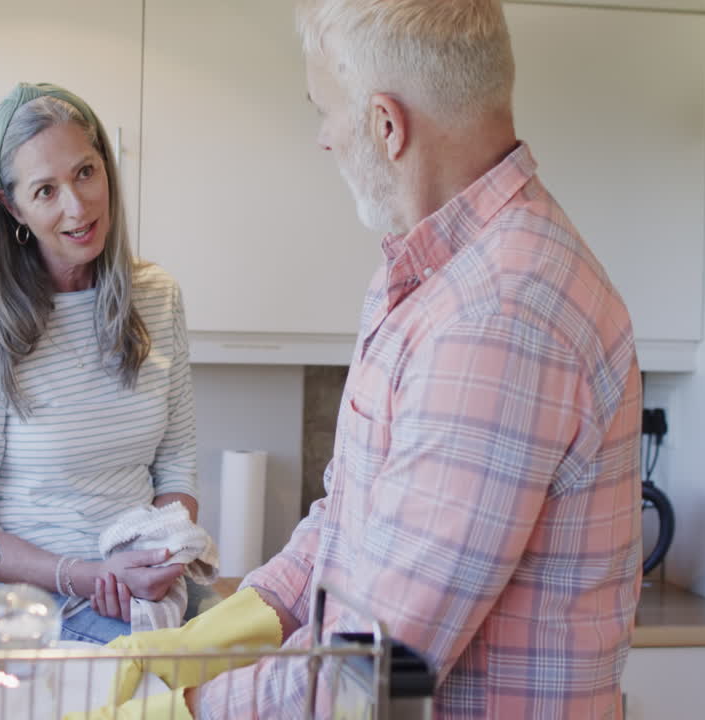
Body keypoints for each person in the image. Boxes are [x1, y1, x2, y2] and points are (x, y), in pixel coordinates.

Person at [89, 1, 643, 717]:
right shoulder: (419, 277)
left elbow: (373, 667)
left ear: (387, 125)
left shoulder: (501, 314)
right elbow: (346, 522)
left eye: (326, 110)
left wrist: (179, 711)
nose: (323, 138)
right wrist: (212, 635)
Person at [0, 82, 205, 645]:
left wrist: (162, 551)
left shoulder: (158, 297)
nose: (78, 208)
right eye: (45, 190)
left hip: (147, 594)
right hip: (37, 615)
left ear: (107, 164)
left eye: (85, 172)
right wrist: (84, 575)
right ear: (12, 206)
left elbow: (176, 463)